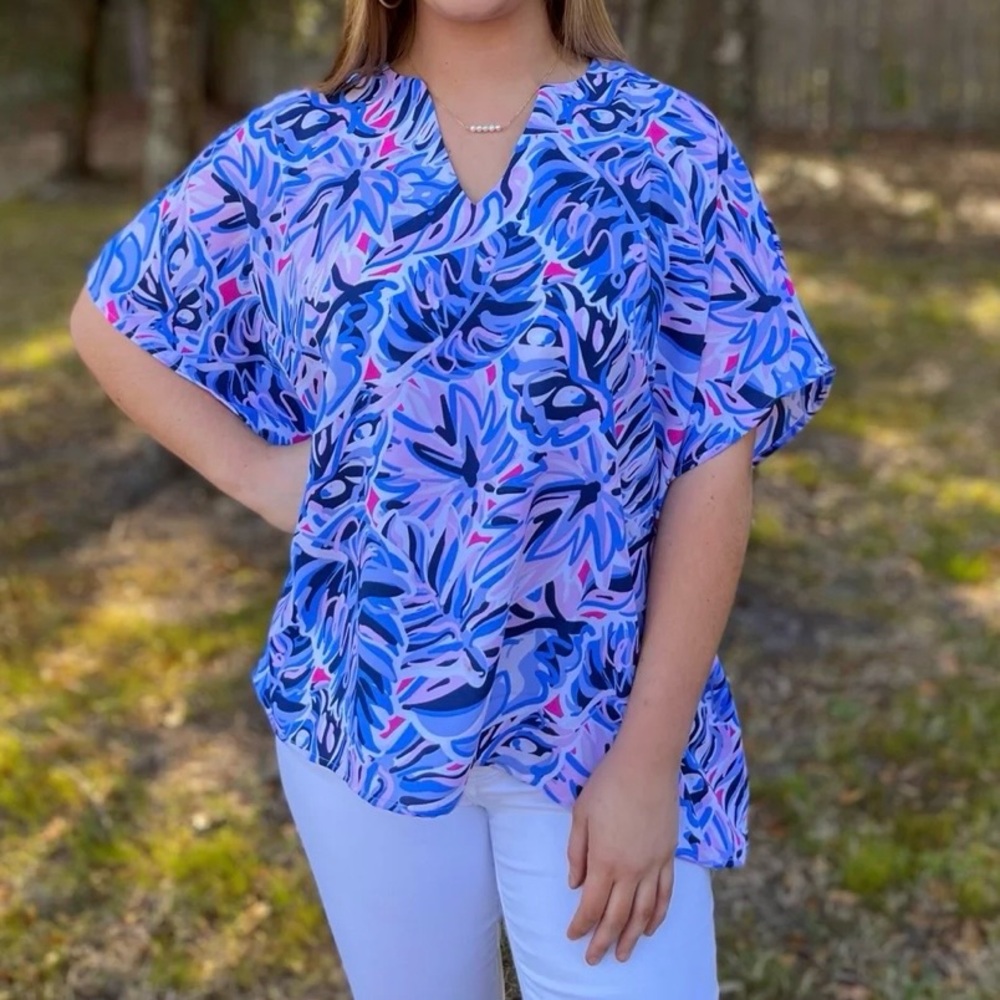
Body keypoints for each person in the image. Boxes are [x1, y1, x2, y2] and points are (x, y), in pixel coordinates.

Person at [70, 0, 836, 997]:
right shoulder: (300, 148)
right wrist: (259, 474)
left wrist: (649, 761)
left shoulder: (665, 145)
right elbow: (112, 319)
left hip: (598, 719)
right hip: (364, 712)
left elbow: (712, 460)